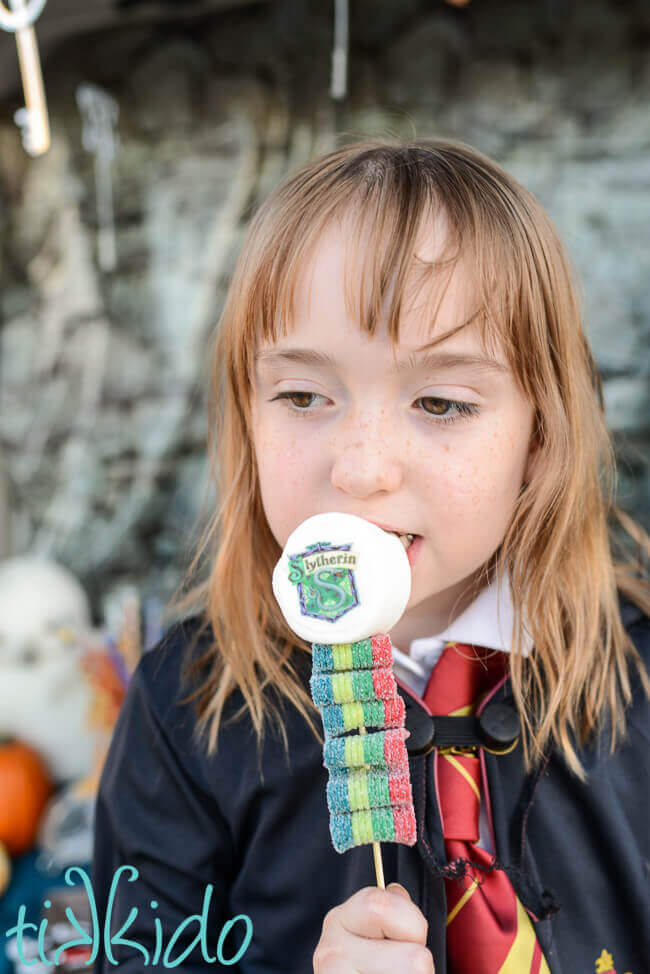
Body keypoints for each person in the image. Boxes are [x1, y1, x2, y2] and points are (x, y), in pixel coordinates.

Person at [91, 140, 650, 973]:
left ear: (540, 435)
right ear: (247, 415)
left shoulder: (638, 683)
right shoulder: (187, 711)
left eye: (440, 401)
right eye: (305, 395)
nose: (360, 470)